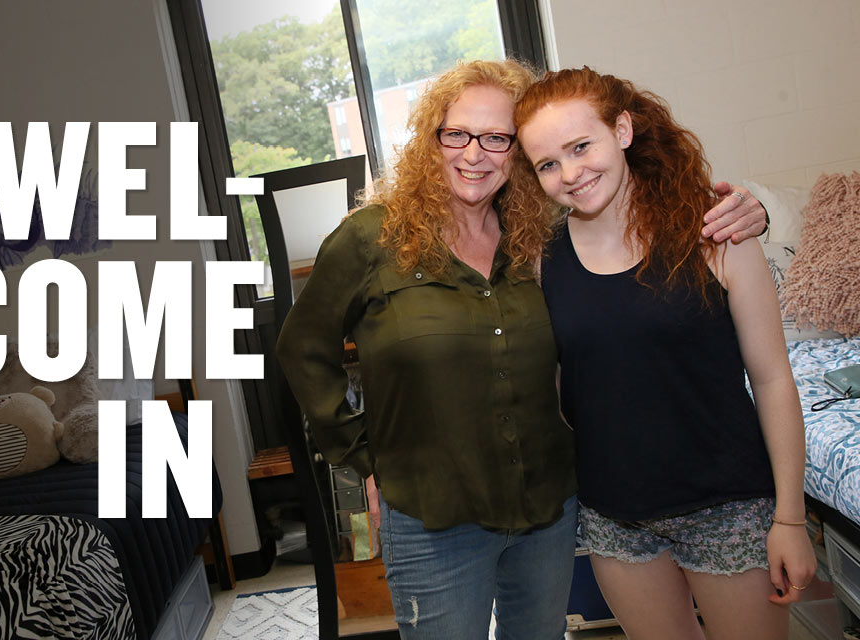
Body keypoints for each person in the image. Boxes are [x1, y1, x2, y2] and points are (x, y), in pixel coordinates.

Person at [276, 59, 766, 640]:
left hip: (548, 510)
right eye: (456, 133)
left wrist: (752, 212)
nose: (473, 153)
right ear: (432, 138)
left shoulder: (540, 243)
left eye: (497, 138)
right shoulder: (372, 238)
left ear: (518, 153)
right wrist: (365, 454)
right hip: (435, 518)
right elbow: (303, 348)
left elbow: (631, 219)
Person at [514, 67, 815, 640]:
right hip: (614, 519)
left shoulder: (714, 233)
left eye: (582, 146)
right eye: (548, 164)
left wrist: (791, 517)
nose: (571, 174)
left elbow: (774, 379)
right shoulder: (541, 262)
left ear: (622, 130)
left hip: (727, 507)